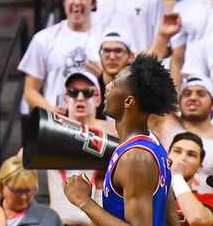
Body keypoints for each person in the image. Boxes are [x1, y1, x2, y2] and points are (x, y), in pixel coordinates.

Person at [63, 54, 178, 225]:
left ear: (129, 101)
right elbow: (172, 219)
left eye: (115, 83)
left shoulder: (136, 157)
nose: (107, 86)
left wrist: (84, 202)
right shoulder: (153, 143)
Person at [19, 0, 100, 113]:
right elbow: (30, 91)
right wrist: (51, 111)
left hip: (96, 121)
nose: (77, 2)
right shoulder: (44, 39)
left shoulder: (106, 40)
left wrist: (103, 79)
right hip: (55, 125)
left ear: (93, 4)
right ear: (64, 2)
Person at [48, 70, 115, 225]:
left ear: (98, 98)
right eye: (73, 92)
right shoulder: (52, 128)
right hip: (59, 221)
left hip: (98, 220)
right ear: (65, 98)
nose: (79, 98)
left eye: (87, 93)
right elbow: (21, 160)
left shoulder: (112, 131)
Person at [0, 155, 62, 226]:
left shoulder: (49, 219)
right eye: (18, 191)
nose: (24, 197)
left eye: (29, 191)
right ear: (2, 186)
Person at [168, 132, 213, 226]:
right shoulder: (149, 193)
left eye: (191, 154)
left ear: (199, 166)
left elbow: (198, 219)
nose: (182, 158)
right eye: (177, 151)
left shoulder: (208, 199)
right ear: (167, 156)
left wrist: (177, 177)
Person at [96, 29, 134, 118]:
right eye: (106, 51)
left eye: (118, 51)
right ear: (100, 55)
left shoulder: (140, 91)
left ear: (131, 56)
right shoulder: (88, 90)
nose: (112, 57)